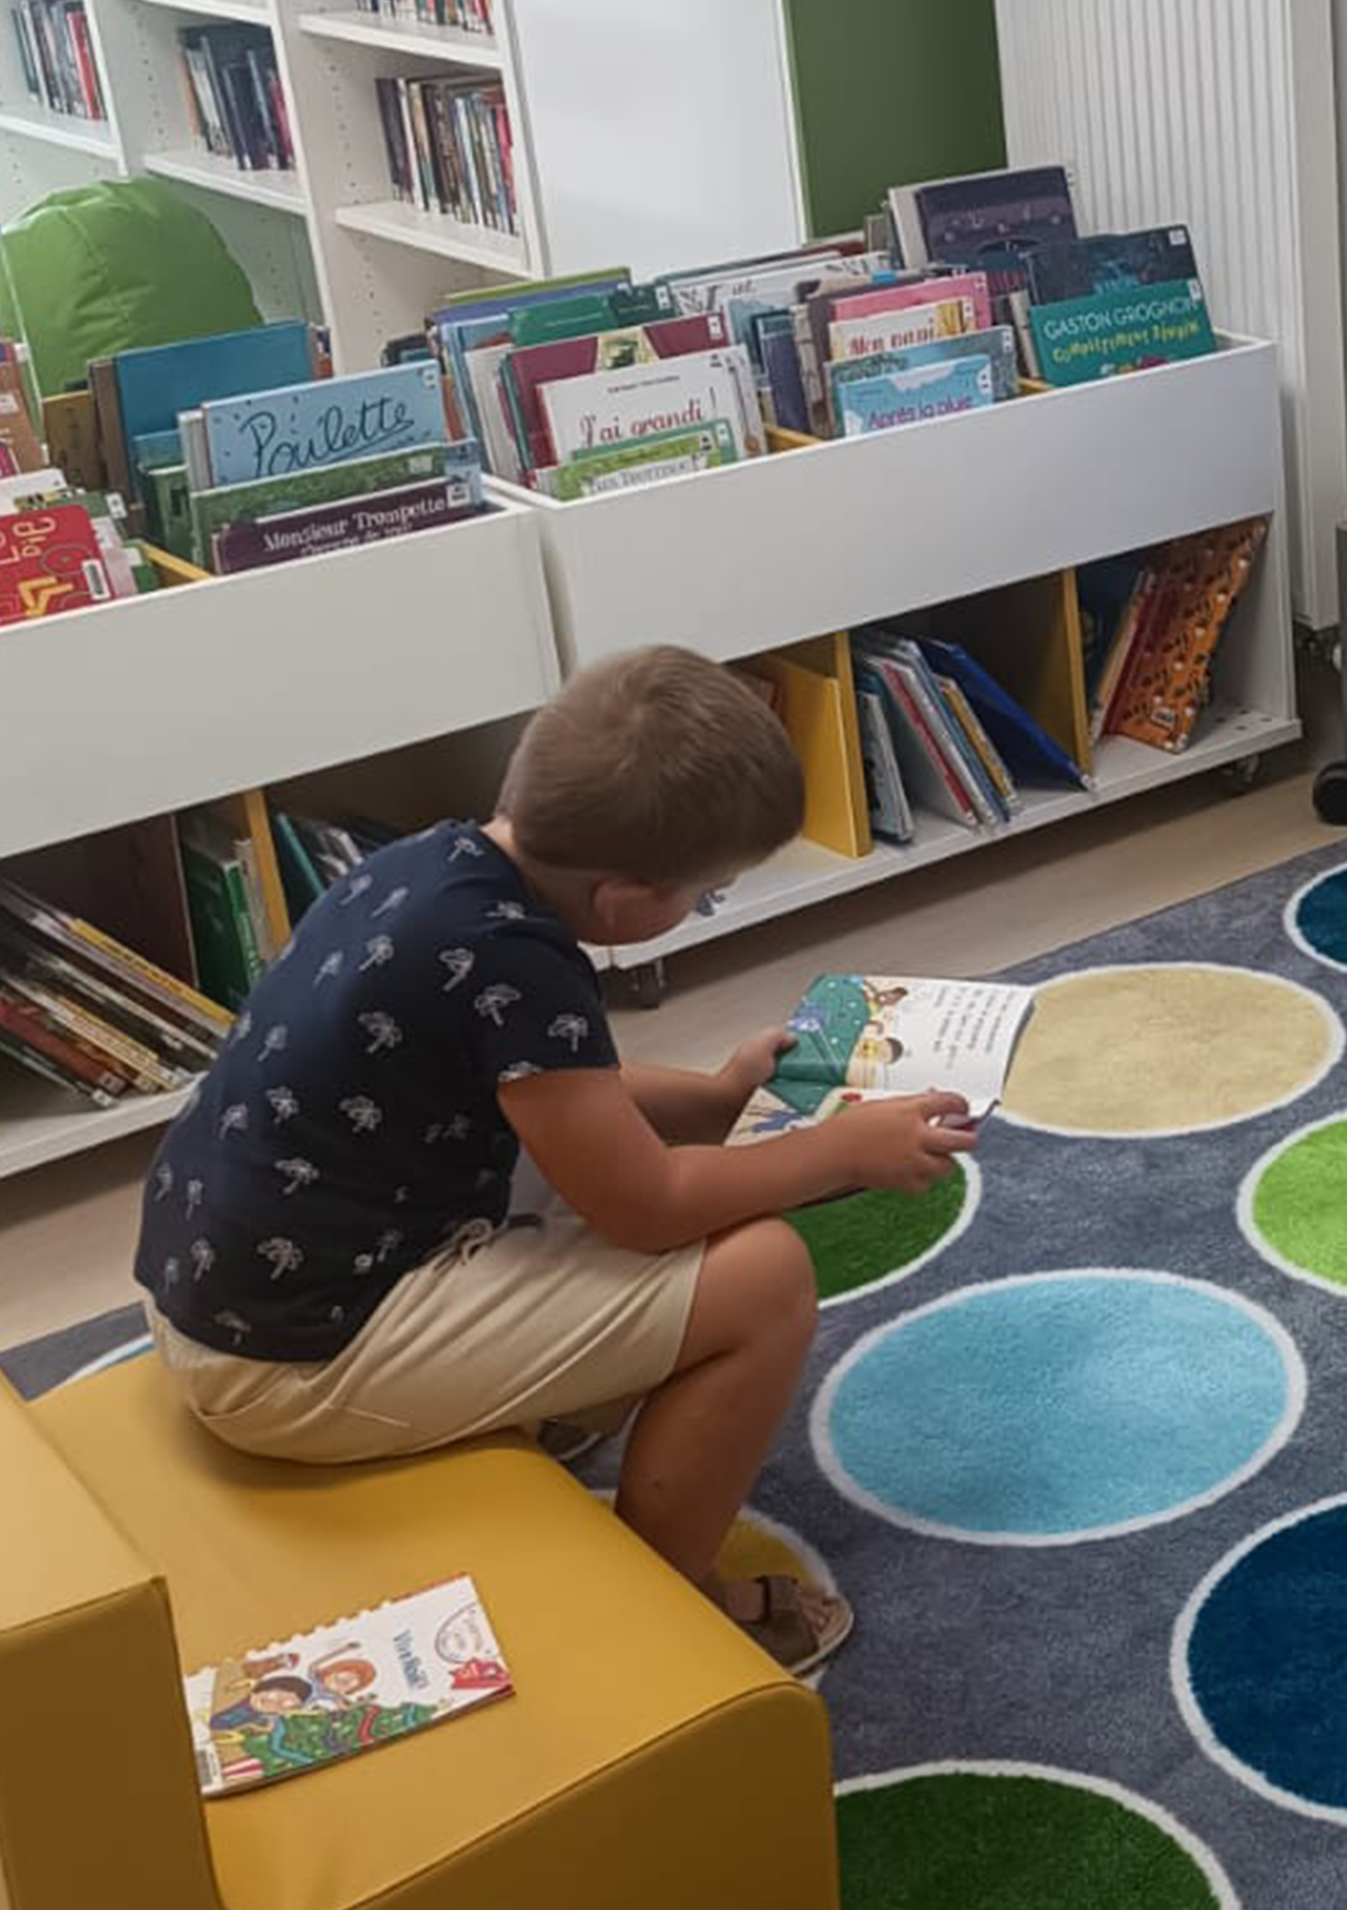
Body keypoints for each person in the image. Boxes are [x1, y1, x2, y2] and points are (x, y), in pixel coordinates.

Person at [133, 647, 979, 1674]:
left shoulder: (429, 863)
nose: (702, 905)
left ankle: (550, 1408)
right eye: (705, 892)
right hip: (288, 1362)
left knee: (610, 1169)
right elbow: (648, 1205)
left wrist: (716, 1098)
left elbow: (556, 1087)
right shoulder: (519, 961)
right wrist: (833, 1153)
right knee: (761, 1277)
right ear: (624, 902)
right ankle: (676, 1609)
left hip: (221, 1292)